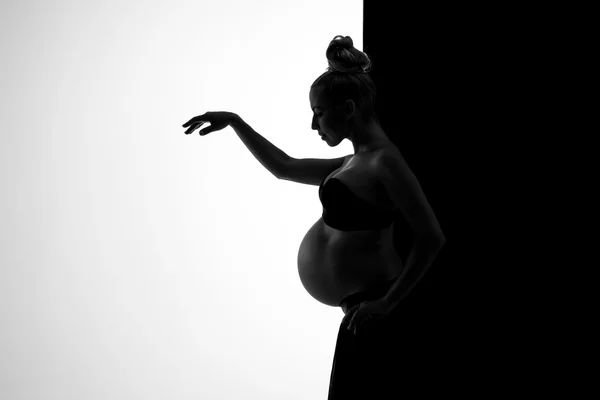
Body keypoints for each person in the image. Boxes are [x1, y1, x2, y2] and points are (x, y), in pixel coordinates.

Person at [182, 35, 446, 399]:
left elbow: (431, 237)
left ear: (349, 107)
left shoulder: (385, 162)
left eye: (319, 113)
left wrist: (388, 303)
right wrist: (235, 121)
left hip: (375, 312)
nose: (313, 124)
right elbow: (284, 167)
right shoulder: (354, 161)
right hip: (358, 312)